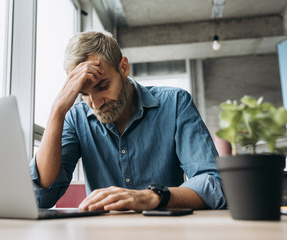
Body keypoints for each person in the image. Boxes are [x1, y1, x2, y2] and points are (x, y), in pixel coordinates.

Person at [29, 30, 226, 211]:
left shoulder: (175, 103)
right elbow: (41, 198)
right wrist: (57, 111)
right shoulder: (75, 118)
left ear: (124, 67)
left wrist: (152, 197)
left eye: (103, 86)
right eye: (84, 94)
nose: (95, 104)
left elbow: (213, 184)